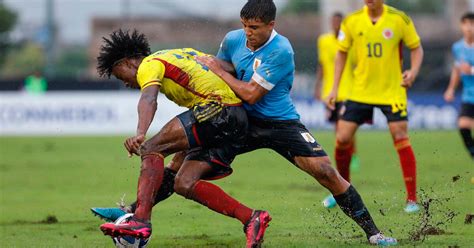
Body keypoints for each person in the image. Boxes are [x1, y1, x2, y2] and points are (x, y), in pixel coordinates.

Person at [94, 0, 398, 245]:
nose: (248, 32)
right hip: (235, 120)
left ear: (271, 25)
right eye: (245, 26)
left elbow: (250, 93)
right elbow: (218, 68)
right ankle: (133, 214)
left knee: (326, 172)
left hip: (277, 122)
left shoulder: (281, 50)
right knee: (180, 176)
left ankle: (373, 233)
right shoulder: (233, 39)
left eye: (254, 27)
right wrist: (207, 70)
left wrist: (218, 73)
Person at [95, 29, 272, 247]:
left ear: (129, 62)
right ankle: (251, 218)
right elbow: (226, 67)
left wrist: (141, 133)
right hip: (235, 121)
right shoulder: (180, 52)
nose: (125, 82)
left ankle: (140, 221)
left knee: (151, 148)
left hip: (217, 110)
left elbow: (149, 98)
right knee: (182, 181)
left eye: (120, 74)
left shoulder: (149, 64)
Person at [325, 0, 424, 213]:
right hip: (361, 91)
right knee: (342, 137)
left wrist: (413, 72)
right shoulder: (352, 21)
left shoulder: (399, 19)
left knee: (399, 134)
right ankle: (343, 190)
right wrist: (334, 88)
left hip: (392, 91)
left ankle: (412, 199)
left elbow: (416, 48)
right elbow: (341, 53)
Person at [315, 12, 360, 209]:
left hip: (348, 92)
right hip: (330, 92)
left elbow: (357, 65)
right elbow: (322, 66)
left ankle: (352, 156)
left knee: (344, 131)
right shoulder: (323, 41)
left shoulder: (350, 41)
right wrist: (318, 86)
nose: (336, 25)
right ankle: (342, 182)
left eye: (339, 22)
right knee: (338, 130)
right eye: (333, 22)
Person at [443, 12, 474, 160]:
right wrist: (450, 89)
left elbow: (467, 69)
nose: (469, 28)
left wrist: (472, 70)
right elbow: (457, 69)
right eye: (466, 24)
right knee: (463, 127)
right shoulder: (457, 47)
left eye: (472, 24)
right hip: (468, 95)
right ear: (461, 26)